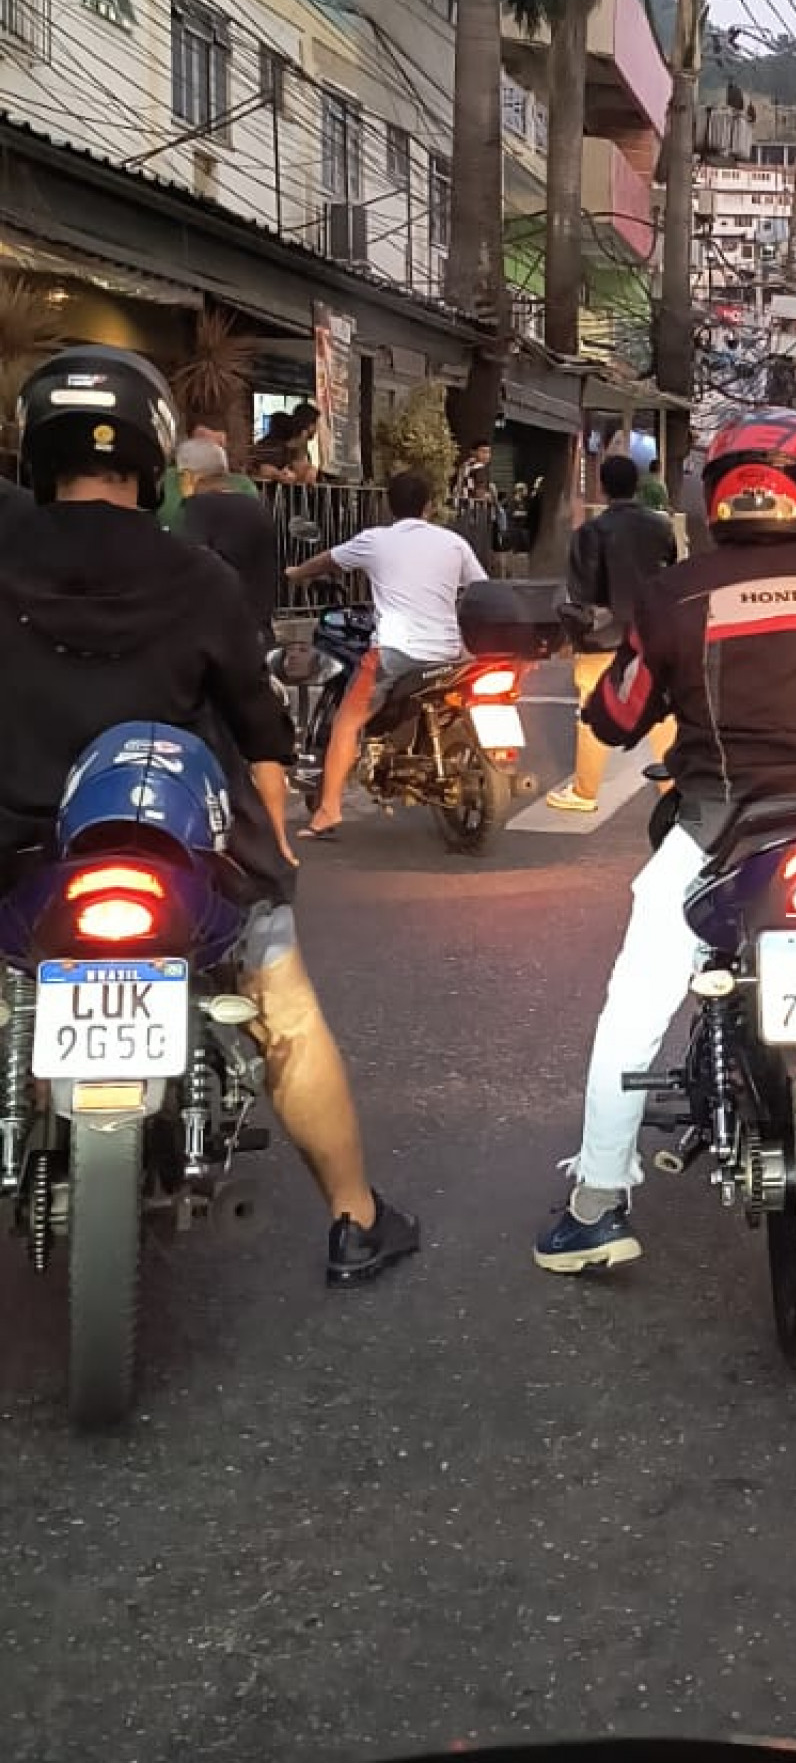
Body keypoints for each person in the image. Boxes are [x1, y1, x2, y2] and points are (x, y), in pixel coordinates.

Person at [0, 347, 415, 1286]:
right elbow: (261, 734)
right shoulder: (197, 576)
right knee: (285, 1011)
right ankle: (356, 1219)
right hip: (177, 845)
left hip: (21, 850)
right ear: (153, 461)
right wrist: (276, 858)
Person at [534, 407, 796, 1276]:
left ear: (716, 496)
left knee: (638, 1005)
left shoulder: (679, 595)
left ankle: (600, 1203)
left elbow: (613, 717)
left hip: (716, 826)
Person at [284, 470, 486, 839]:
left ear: (388, 505)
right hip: (451, 654)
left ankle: (328, 810)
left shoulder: (375, 541)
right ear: (429, 506)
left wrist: (296, 572)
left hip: (397, 652)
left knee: (347, 722)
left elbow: (325, 561)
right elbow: (482, 589)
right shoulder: (453, 542)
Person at [546, 452, 680, 815]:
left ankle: (585, 791)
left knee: (594, 706)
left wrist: (570, 636)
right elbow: (672, 577)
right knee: (661, 708)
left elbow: (581, 592)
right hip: (654, 633)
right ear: (637, 486)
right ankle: (673, 787)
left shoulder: (590, 533)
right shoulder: (660, 527)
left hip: (604, 637)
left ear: (602, 488)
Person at [173, 434, 280, 638]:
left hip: (218, 634)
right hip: (257, 628)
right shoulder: (256, 507)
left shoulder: (199, 507)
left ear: (188, 476)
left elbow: (190, 566)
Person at [161, 415, 262, 530]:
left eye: (218, 446)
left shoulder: (243, 485)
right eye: (203, 445)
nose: (211, 454)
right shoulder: (163, 479)